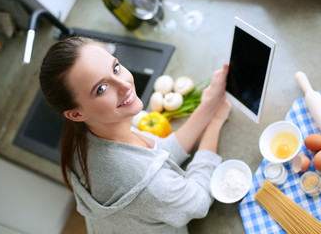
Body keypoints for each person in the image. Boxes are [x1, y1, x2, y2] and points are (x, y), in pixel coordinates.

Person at [39, 36, 232, 234]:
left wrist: (208, 105)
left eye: (115, 68)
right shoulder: (148, 186)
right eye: (101, 89)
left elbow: (160, 155)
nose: (124, 85)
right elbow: (198, 200)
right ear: (76, 114)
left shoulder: (89, 135)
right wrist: (214, 124)